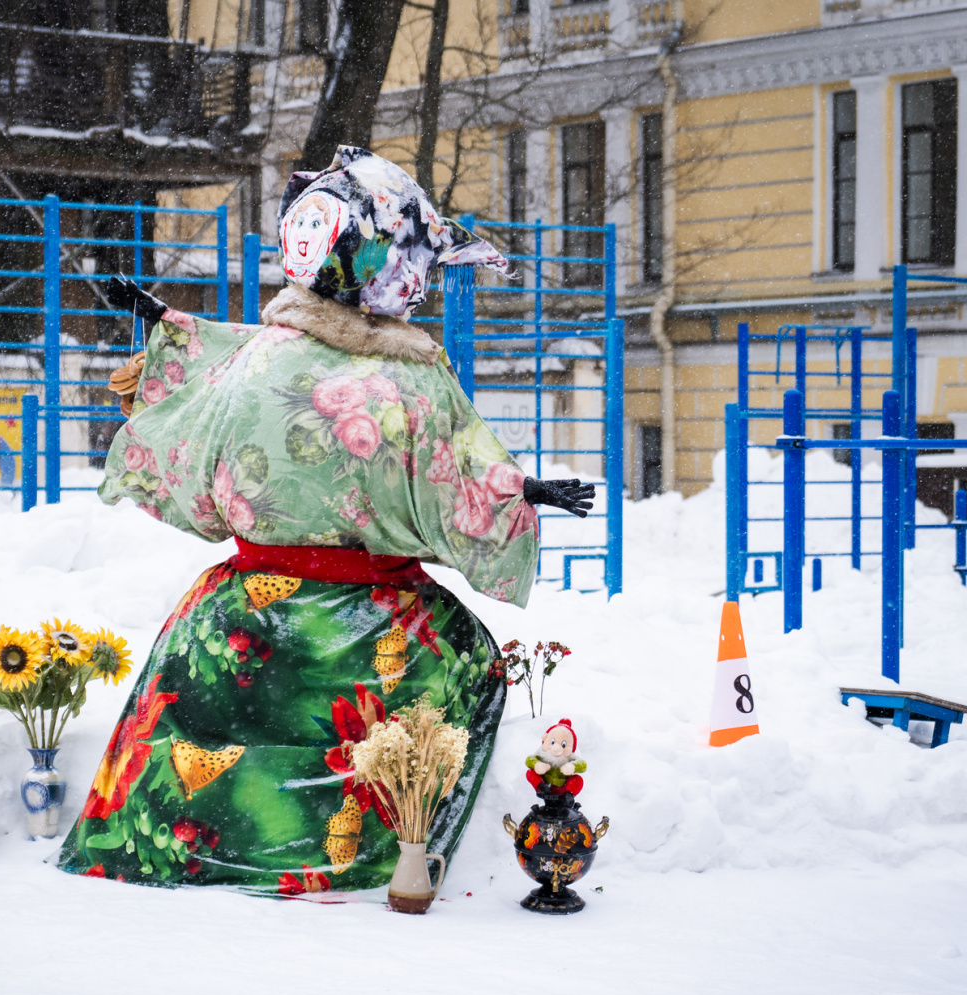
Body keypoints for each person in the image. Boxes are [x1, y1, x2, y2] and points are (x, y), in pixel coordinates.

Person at [55, 146, 593, 894]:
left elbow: (209, 374)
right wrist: (521, 491)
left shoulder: (259, 358)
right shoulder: (410, 379)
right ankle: (388, 846)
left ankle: (176, 844)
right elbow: (457, 472)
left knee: (192, 692)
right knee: (462, 661)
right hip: (380, 618)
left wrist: (164, 325)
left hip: (240, 608)